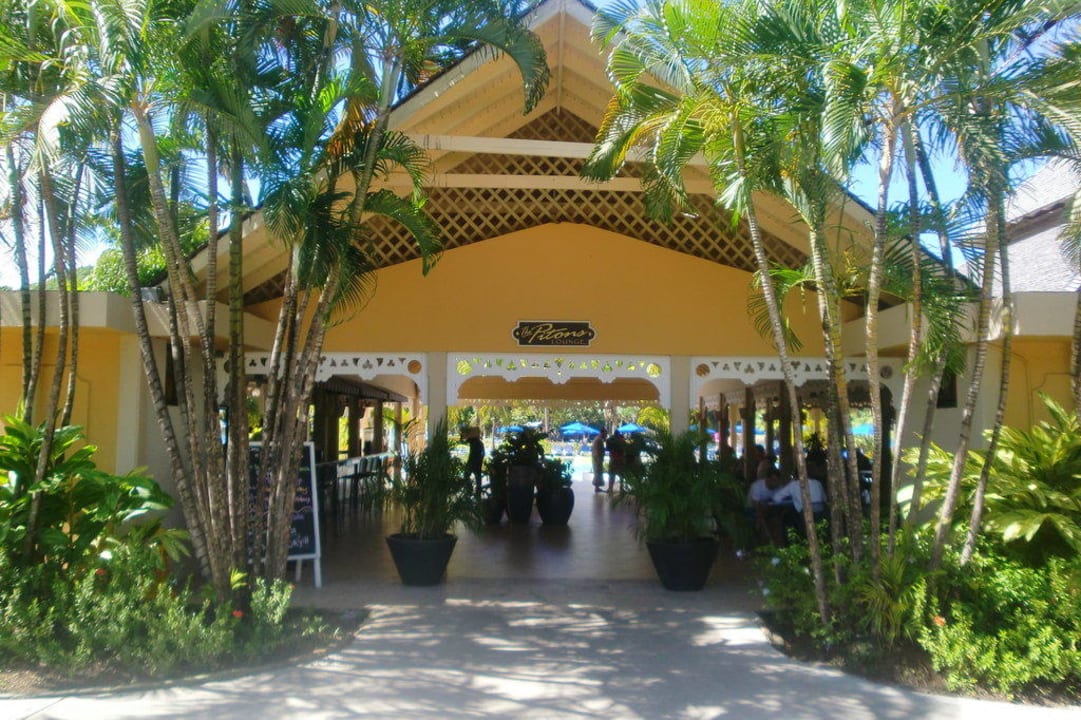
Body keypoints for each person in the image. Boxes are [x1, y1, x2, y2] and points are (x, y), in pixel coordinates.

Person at [465, 427, 485, 497]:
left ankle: (470, 490)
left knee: (467, 476)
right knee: (478, 479)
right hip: (477, 463)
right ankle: (477, 492)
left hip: (473, 462)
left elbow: (464, 439)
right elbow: (483, 454)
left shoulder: (474, 442)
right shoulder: (478, 443)